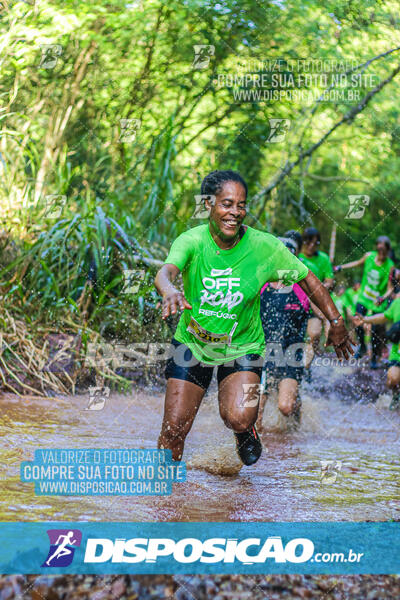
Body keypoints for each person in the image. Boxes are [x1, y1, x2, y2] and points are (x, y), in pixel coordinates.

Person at [154, 170, 353, 466]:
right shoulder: (192, 241)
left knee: (238, 416)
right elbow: (166, 271)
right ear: (208, 204)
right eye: (227, 204)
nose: (235, 212)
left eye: (241, 205)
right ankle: (164, 503)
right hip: (192, 345)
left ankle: (245, 430)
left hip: (243, 348)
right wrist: (168, 290)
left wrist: (336, 322)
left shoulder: (266, 248)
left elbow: (309, 280)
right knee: (173, 433)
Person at [257, 237, 310, 431]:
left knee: (285, 407)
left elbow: (317, 316)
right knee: (254, 417)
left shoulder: (301, 289)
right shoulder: (261, 284)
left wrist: (312, 343)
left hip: (291, 353)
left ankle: (296, 408)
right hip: (262, 353)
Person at [334, 236, 394, 368]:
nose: (381, 254)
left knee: (376, 330)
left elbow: (390, 288)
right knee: (357, 321)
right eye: (379, 250)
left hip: (378, 302)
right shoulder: (369, 256)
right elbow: (356, 263)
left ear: (387, 250)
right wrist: (341, 267)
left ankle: (374, 357)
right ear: (376, 248)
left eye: (384, 250)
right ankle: (361, 347)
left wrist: (383, 297)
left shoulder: (390, 265)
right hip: (364, 298)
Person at [298, 227, 334, 380]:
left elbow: (329, 281)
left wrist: (318, 290)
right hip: (295, 302)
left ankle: (306, 367)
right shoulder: (296, 255)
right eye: (308, 242)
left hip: (315, 303)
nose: (312, 245)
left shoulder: (323, 258)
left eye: (316, 243)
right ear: (303, 242)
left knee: (314, 335)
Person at [354, 293, 400, 409]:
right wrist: (365, 319)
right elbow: (384, 316)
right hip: (397, 353)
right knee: (392, 379)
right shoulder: (397, 303)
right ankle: (396, 394)